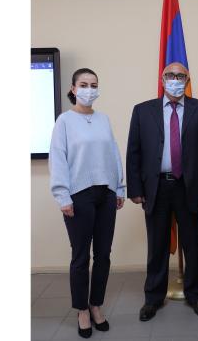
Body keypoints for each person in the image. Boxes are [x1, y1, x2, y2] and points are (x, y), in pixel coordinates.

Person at [126, 62, 198, 321]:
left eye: (180, 76)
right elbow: (134, 152)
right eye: (170, 75)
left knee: (193, 244)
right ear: (162, 79)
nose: (175, 79)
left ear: (188, 81)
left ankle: (195, 295)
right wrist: (135, 188)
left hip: (190, 186)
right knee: (157, 245)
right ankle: (153, 298)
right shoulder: (142, 111)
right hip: (156, 186)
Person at [49, 68, 126, 338]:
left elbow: (113, 153)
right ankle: (82, 309)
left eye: (94, 85)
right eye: (83, 84)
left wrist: (119, 187)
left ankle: (96, 305)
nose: (89, 89)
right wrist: (62, 195)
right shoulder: (64, 121)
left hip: (106, 193)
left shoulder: (103, 119)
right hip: (79, 195)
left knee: (103, 254)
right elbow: (58, 158)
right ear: (73, 89)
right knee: (80, 256)